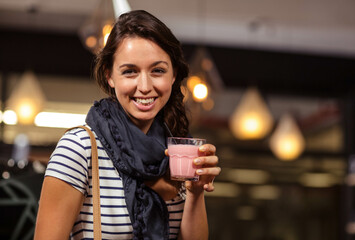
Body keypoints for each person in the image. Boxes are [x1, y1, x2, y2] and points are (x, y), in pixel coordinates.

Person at [34, 10, 221, 240]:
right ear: (110, 76)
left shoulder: (177, 154)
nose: (144, 86)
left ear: (173, 76)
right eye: (130, 72)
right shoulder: (79, 149)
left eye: (158, 71)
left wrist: (195, 191)